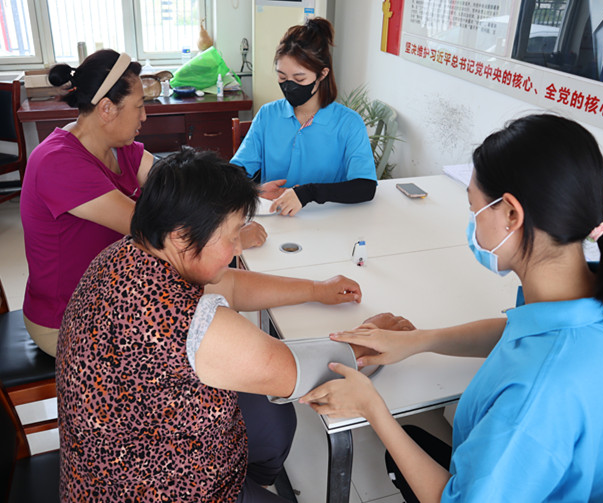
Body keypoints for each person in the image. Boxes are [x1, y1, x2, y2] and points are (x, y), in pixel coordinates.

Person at [301, 114, 603, 502]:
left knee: (402, 445)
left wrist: (372, 408)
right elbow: (519, 335)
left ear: (512, 214)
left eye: (475, 209)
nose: (472, 223)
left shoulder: (535, 396)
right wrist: (419, 341)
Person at [56, 148, 363, 502]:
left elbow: (229, 285)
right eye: (232, 236)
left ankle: (250, 480)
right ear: (181, 236)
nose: (237, 249)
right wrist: (368, 340)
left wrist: (315, 289)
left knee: (274, 421)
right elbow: (292, 372)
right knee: (274, 410)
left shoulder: (130, 253)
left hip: (126, 447)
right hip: (145, 489)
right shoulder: (180, 320)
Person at [20, 50, 265, 357]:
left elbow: (180, 185)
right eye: (138, 106)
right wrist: (233, 237)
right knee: (205, 337)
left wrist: (244, 191)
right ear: (107, 109)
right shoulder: (58, 163)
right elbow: (151, 230)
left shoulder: (119, 148)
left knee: (215, 297)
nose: (144, 116)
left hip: (117, 294)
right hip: (69, 319)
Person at [230, 17, 377, 216]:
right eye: (282, 77)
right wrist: (254, 190)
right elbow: (237, 170)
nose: (288, 86)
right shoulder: (267, 115)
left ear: (322, 74)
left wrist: (308, 193)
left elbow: (366, 187)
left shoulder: (349, 123)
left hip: (328, 220)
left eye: (299, 79)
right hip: (274, 217)